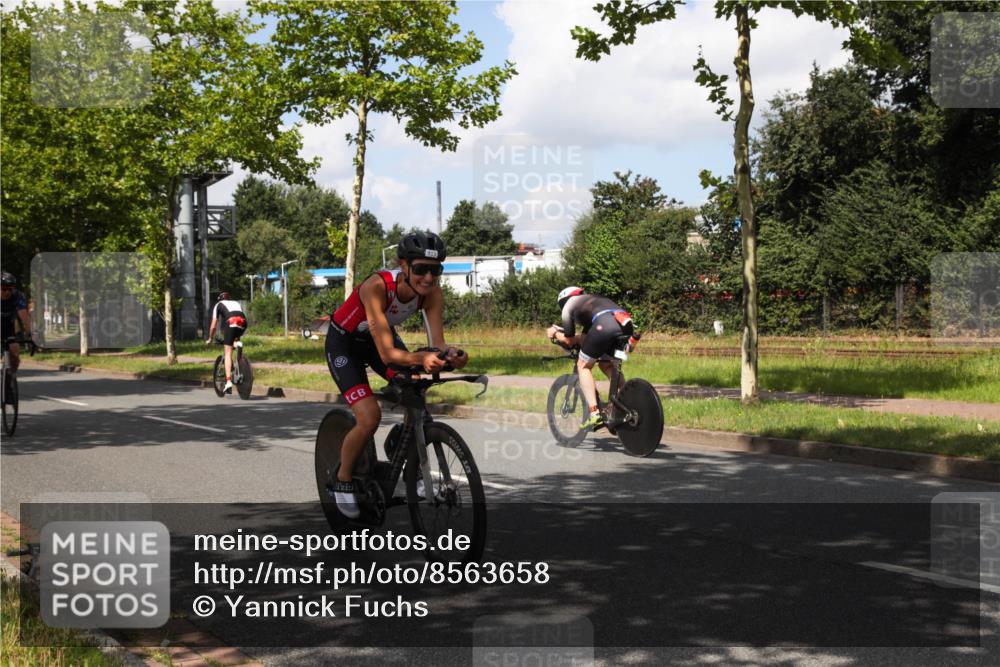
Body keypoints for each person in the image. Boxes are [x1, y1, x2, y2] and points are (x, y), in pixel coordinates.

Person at [325, 230, 468, 518]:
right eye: (420, 270)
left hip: (379, 340)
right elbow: (389, 354)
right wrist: (421, 357)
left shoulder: (432, 294)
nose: (428, 278)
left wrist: (450, 356)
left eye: (435, 271)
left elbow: (436, 345)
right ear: (403, 266)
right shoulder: (376, 287)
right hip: (345, 343)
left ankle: (401, 445)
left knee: (415, 390)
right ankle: (341, 479)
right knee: (369, 416)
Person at [547, 286, 636, 430]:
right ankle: (626, 401)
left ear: (564, 300)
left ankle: (595, 414)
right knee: (606, 365)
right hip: (625, 325)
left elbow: (569, 341)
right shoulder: (593, 302)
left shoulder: (568, 307)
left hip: (604, 326)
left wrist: (555, 333)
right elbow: (585, 339)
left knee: (583, 366)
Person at [205, 292, 248, 394]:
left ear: (220, 299)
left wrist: (210, 338)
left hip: (231, 322)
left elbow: (213, 326)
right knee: (234, 339)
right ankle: (237, 346)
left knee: (227, 353)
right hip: (243, 322)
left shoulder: (218, 305)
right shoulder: (235, 303)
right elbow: (239, 315)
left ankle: (228, 381)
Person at [1, 272, 33, 402]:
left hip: (7, 326)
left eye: (10, 289)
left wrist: (30, 334)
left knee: (15, 352)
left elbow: (24, 316)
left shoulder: (17, 296)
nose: (7, 292)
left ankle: (8, 384)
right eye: (3, 289)